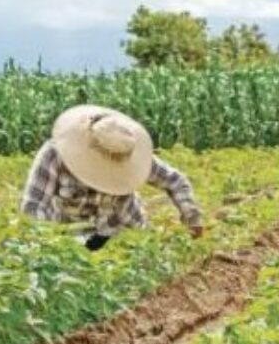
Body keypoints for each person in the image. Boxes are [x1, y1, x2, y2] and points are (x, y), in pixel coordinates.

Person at [20, 105, 202, 251]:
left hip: (125, 237)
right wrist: (53, 247)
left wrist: (192, 218)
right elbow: (33, 207)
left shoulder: (125, 151)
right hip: (70, 242)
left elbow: (176, 181)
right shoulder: (55, 154)